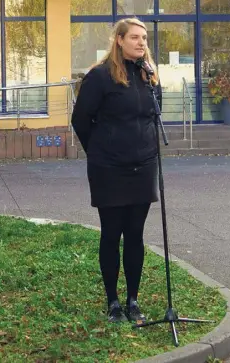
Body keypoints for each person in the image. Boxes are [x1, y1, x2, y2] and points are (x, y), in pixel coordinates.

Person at [71, 17, 162, 324]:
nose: (141, 42)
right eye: (135, 37)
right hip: (109, 168)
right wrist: (99, 151)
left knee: (135, 234)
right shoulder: (99, 77)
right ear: (119, 40)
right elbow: (81, 120)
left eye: (145, 38)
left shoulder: (148, 76)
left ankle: (133, 300)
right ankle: (113, 302)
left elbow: (152, 116)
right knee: (112, 233)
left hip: (144, 164)